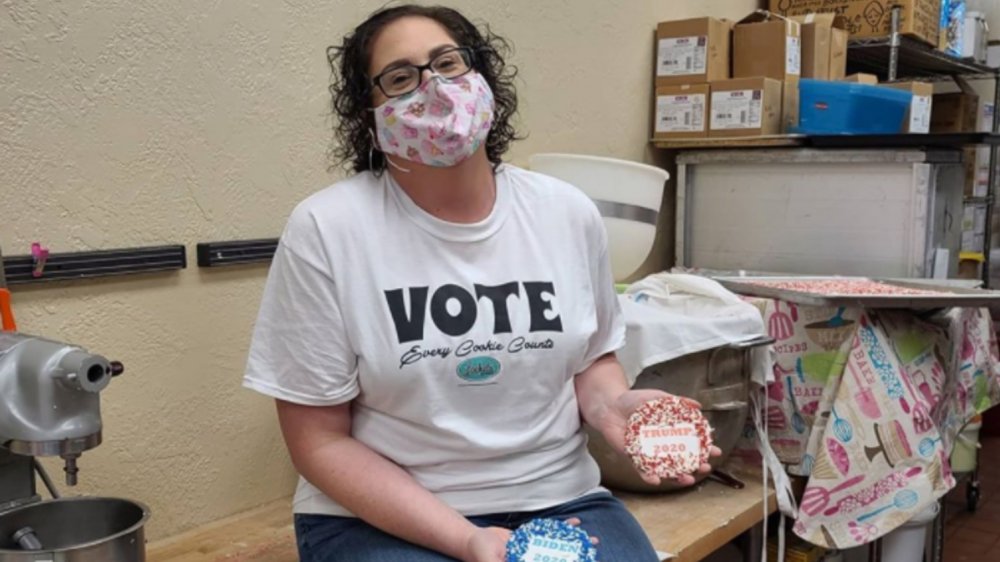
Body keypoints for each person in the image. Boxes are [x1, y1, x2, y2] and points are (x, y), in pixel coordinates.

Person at [244, 5, 718, 562]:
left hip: (556, 499)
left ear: (484, 79)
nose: (434, 88)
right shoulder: (327, 229)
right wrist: (466, 539)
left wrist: (613, 406)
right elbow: (319, 443)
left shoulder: (565, 212)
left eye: (448, 63)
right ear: (369, 115)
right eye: (400, 79)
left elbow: (591, 360)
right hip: (379, 517)